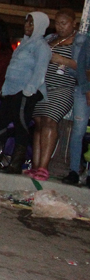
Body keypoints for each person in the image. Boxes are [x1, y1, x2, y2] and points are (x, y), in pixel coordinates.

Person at [0, 12, 50, 174]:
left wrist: (29, 90)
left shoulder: (42, 47)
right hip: (11, 91)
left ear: (40, 26)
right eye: (26, 22)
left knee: (21, 125)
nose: (28, 26)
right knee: (0, 121)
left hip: (25, 92)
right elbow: (13, 69)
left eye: (32, 23)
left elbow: (40, 71)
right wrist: (5, 89)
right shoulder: (25, 44)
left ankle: (16, 164)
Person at [28, 9, 78, 181]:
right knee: (39, 123)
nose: (60, 26)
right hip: (43, 88)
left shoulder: (80, 42)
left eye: (64, 23)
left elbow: (84, 67)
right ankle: (35, 166)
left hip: (63, 88)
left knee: (50, 120)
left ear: (73, 23)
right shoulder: (50, 39)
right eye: (57, 23)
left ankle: (44, 167)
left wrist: (62, 60)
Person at [65, 30, 90, 185]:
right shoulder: (86, 39)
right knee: (78, 131)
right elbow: (81, 65)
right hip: (83, 89)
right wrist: (87, 89)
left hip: (84, 88)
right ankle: (74, 171)